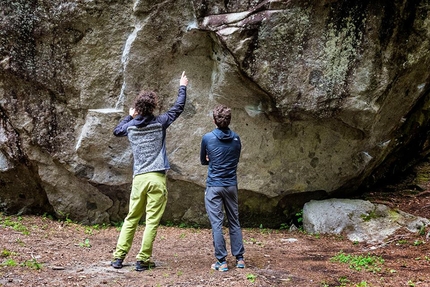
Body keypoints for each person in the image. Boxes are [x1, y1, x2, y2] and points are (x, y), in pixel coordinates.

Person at [111, 71, 188, 271]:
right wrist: (182, 86)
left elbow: (117, 130)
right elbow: (178, 108)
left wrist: (129, 116)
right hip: (157, 177)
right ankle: (142, 260)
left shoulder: (130, 127)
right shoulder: (160, 123)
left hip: (139, 178)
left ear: (138, 108)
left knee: (131, 218)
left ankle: (119, 257)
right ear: (153, 106)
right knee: (151, 221)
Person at [200, 104, 245, 272]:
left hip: (214, 186)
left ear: (214, 120)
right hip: (231, 185)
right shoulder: (236, 138)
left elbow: (203, 161)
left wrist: (211, 159)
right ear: (229, 120)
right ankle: (240, 259)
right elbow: (236, 159)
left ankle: (222, 261)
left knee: (217, 223)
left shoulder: (207, 138)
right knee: (234, 220)